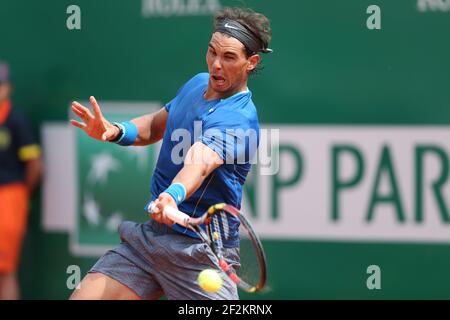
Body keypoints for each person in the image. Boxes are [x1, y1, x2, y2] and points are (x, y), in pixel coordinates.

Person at [69, 7, 272, 300]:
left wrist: (172, 196)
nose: (216, 64)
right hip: (150, 241)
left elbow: (199, 163)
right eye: (212, 52)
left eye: (228, 57)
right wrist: (114, 130)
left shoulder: (239, 119)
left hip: (202, 252)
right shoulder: (197, 83)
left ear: (251, 62)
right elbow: (155, 125)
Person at [0, 62, 43, 300]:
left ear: (9, 88)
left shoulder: (16, 119)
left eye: (1, 85)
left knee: (5, 270)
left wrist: (20, 195)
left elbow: (35, 164)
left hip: (8, 198)